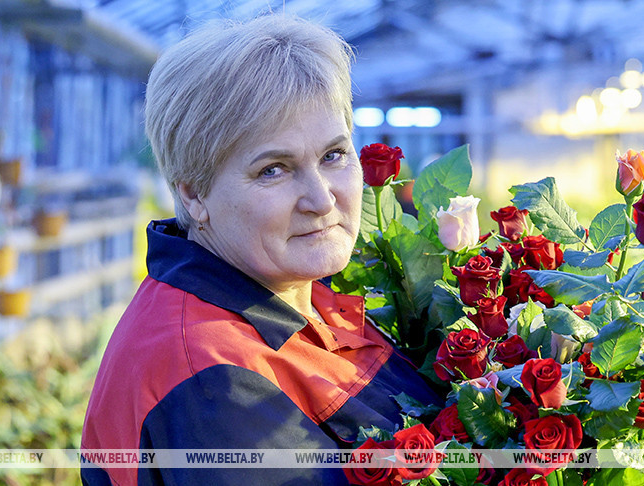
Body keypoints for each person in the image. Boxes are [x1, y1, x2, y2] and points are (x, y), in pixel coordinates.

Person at [80, 15, 441, 485]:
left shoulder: (299, 288)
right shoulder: (214, 379)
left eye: (333, 155)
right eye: (273, 169)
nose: (322, 199)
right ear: (193, 195)